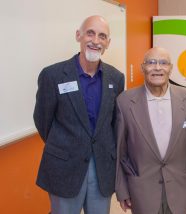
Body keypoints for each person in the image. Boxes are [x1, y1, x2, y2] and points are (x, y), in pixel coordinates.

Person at [33, 15, 124, 214]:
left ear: (108, 43)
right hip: (64, 166)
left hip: (101, 167)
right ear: (78, 36)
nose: (95, 40)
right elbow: (43, 121)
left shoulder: (116, 78)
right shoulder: (53, 75)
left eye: (102, 36)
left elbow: (115, 123)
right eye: (90, 33)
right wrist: (66, 144)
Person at [115, 47, 186, 214]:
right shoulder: (125, 101)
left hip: (181, 189)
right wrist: (122, 189)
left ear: (171, 68)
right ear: (142, 67)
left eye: (163, 63)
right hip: (142, 191)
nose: (157, 68)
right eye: (151, 62)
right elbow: (121, 152)